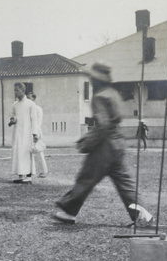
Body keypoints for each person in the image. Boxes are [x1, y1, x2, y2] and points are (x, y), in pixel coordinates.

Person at [53, 62, 153, 225]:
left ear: (98, 80)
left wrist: (87, 142)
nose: (91, 81)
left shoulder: (99, 97)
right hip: (118, 142)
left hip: (104, 146)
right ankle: (142, 216)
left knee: (86, 177)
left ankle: (69, 211)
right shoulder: (113, 93)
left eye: (93, 78)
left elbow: (103, 125)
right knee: (124, 182)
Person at [9, 83, 38, 184]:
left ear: (22, 90)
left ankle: (29, 176)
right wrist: (12, 119)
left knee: (27, 153)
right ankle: (21, 175)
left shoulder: (31, 104)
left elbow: (34, 119)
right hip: (17, 133)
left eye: (17, 90)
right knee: (18, 153)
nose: (15, 92)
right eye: (14, 90)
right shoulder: (15, 105)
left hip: (27, 133)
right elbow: (13, 115)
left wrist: (35, 133)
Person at [26, 92, 48, 178]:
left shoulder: (37, 109)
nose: (27, 100)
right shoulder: (29, 109)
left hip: (36, 131)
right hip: (29, 132)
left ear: (33, 98)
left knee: (39, 151)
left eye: (29, 98)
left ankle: (43, 171)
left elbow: (38, 122)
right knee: (29, 152)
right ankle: (31, 171)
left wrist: (36, 134)